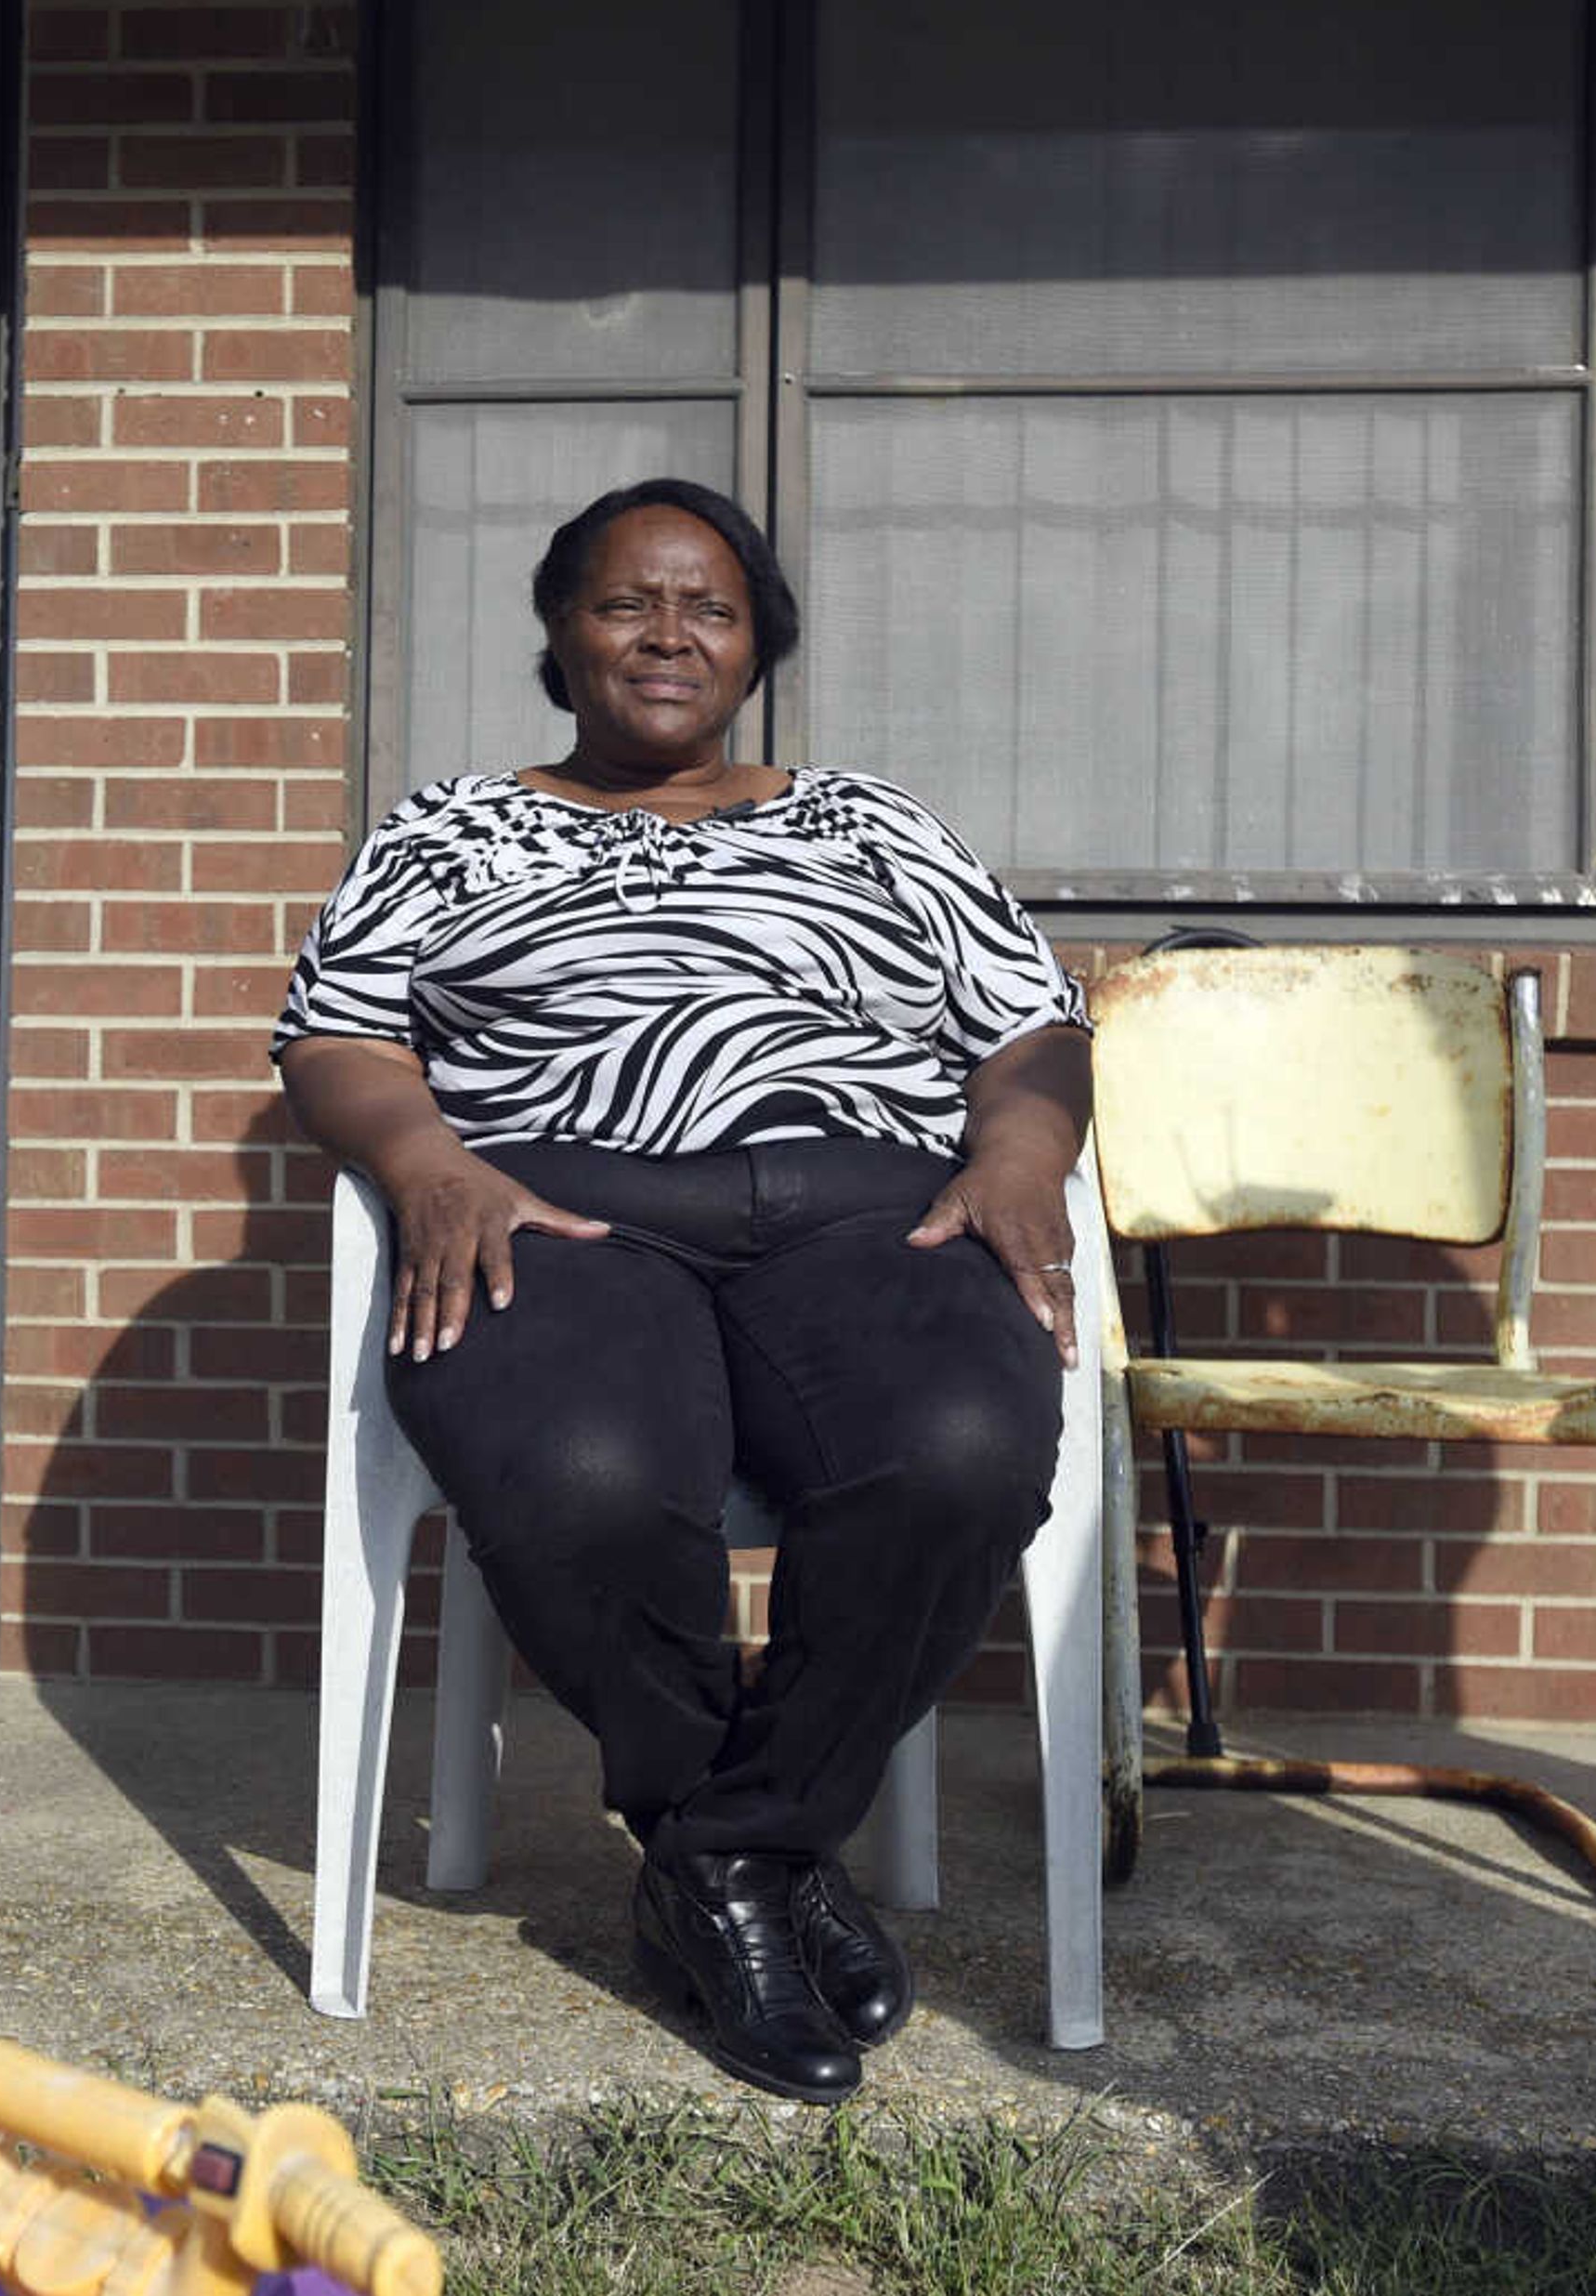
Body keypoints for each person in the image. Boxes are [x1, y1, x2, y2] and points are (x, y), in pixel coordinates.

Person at [271, 477, 1089, 2104]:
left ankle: (724, 1856)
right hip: (561, 1215)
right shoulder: (447, 827)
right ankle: (764, 1863)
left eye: (708, 608)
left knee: (959, 1453)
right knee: (582, 1478)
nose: (668, 635)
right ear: (561, 636)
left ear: (757, 644)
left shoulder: (874, 822)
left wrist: (1017, 1158)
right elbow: (337, 1032)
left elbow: (1032, 1026)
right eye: (625, 604)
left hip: (869, 1213)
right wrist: (426, 1162)